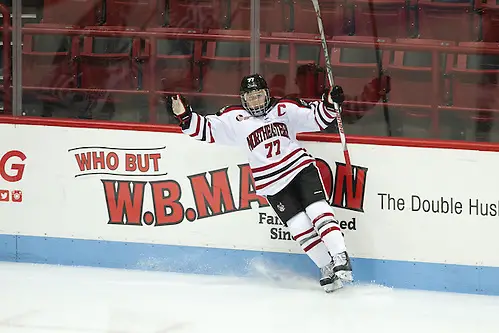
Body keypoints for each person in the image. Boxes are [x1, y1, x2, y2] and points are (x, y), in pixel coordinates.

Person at [166, 74, 361, 293]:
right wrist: (183, 115)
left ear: (267, 94)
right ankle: (326, 267)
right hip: (271, 184)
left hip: (299, 169)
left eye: (259, 95)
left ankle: (340, 255)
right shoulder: (233, 118)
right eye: (251, 97)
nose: (256, 101)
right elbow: (205, 129)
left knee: (317, 210)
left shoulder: (284, 108)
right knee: (299, 227)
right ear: (243, 99)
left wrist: (329, 101)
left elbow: (317, 118)